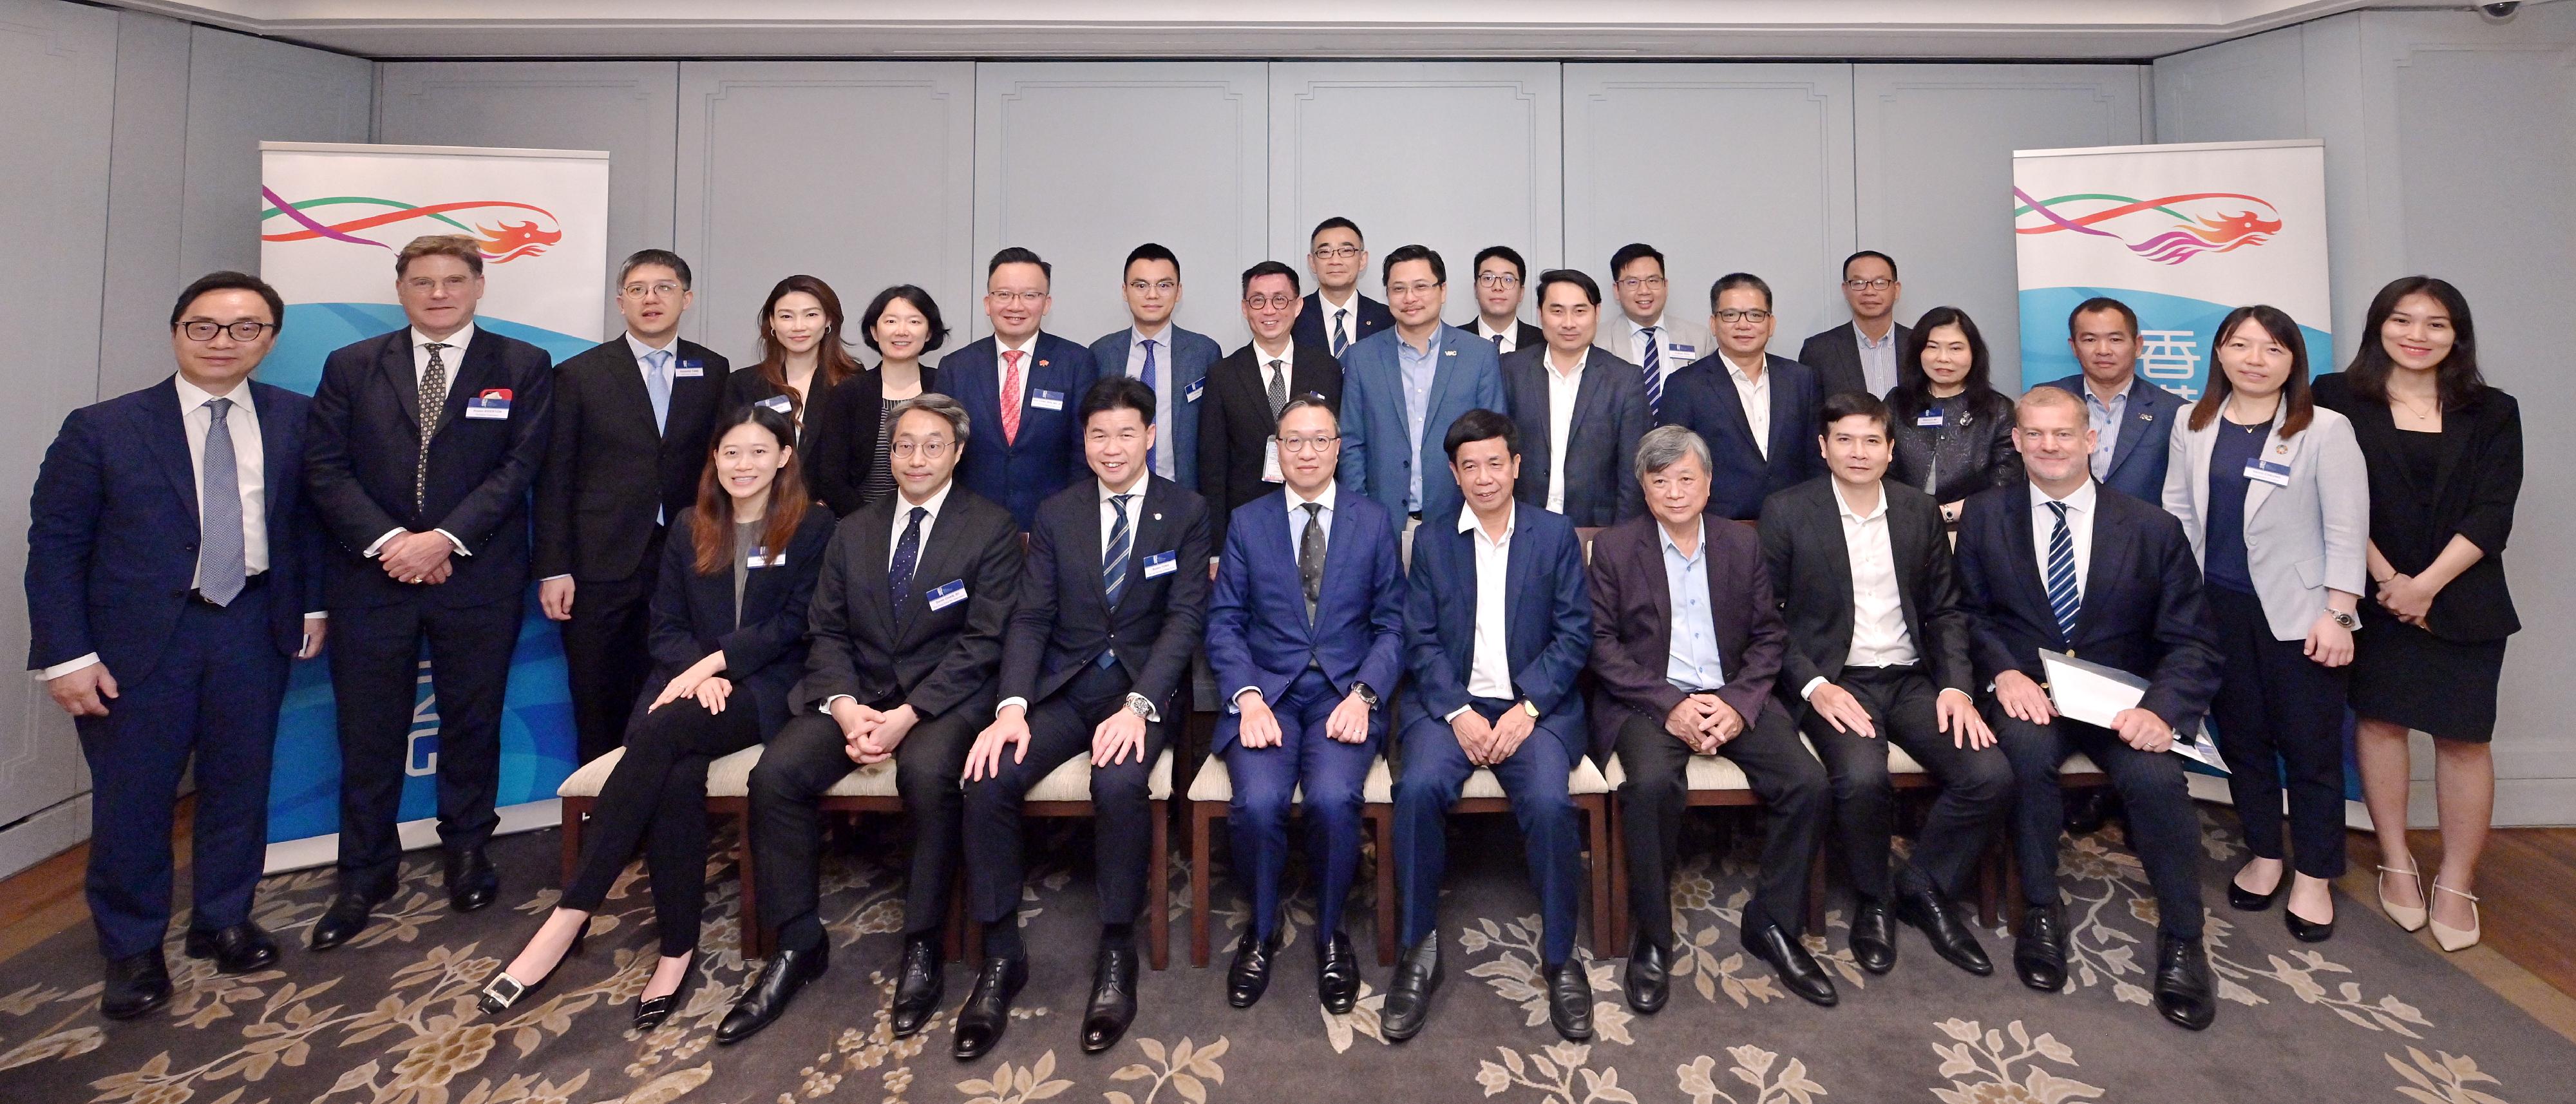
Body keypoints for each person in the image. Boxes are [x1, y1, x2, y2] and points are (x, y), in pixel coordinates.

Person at [27, 272, 325, 1019]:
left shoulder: (297, 419)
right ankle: (131, 945)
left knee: (238, 786)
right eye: (206, 326)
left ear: (270, 339)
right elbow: (56, 547)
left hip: (253, 627)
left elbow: (304, 526)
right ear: (176, 331)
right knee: (134, 799)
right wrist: (66, 656)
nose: (224, 342)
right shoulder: (101, 426)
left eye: (245, 328)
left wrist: (311, 605)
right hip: (136, 644)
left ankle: (222, 918)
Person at [480, 405, 832, 1026]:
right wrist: (695, 670)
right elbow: (664, 624)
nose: (742, 465)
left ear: (783, 458)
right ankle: (675, 948)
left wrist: (714, 668)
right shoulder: (692, 525)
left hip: (767, 687)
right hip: (688, 681)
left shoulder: (813, 528)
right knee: (673, 771)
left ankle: (570, 914)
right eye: (730, 453)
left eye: (757, 452)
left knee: (662, 731)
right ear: (714, 461)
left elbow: (796, 625)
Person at [714, 395, 1023, 1045]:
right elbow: (823, 627)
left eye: (932, 445)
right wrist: (848, 706)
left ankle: (923, 943)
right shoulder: (852, 529)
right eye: (904, 444)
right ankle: (796, 942)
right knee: (777, 775)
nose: (916, 457)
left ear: (958, 453)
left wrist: (908, 714)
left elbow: (984, 640)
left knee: (928, 772)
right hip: (853, 695)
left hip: (940, 699)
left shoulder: (991, 528)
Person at [303, 235, 553, 949]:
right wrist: (393, 545)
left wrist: (443, 539)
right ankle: (364, 868)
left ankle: (467, 847)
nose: (437, 293)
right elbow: (325, 469)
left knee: (472, 720)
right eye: (422, 281)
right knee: (367, 726)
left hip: (476, 574)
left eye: (452, 280)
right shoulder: (352, 365)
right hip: (371, 577)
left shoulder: (522, 365)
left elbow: (520, 466)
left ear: (479, 285)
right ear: (402, 289)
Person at [956, 376, 1213, 1059]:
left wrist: (1140, 704)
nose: (1112, 447)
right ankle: (1001, 954)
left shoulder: (1185, 511)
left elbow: (1185, 618)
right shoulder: (1056, 512)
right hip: (1064, 687)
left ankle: (1116, 945)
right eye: (1098, 434)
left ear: (1151, 435)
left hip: (1139, 689)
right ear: (1084, 440)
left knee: (1120, 784)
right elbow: (1032, 616)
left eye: (1126, 432)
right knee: (987, 776)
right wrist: (1010, 706)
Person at [1954, 386, 2221, 1031]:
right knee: (2021, 760)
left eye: (2064, 434)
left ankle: (2184, 939)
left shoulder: (2152, 527)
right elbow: (1968, 613)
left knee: (2157, 780)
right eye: (2035, 434)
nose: (2050, 446)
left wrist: (2161, 710)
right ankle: (2039, 912)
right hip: (2031, 694)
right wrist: (2004, 673)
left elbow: (2192, 639)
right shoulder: (1987, 517)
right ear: (2016, 441)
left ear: (2090, 439)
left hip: (2123, 699)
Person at [1757, 392, 2011, 981]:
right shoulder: (1789, 510)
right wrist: (1814, 686)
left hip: (1914, 678)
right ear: (1823, 448)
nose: (1859, 452)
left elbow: (1947, 611)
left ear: (1891, 449)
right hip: (1837, 680)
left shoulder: (1917, 510)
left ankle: (1923, 885)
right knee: (1862, 777)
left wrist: (1956, 688)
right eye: (1844, 439)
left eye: (1872, 441)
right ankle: (1875, 900)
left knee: (1990, 774)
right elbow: (1765, 617)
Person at [1588, 426, 1833, 1013]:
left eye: (1686, 478)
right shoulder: (1617, 548)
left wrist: (1738, 702)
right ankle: (1653, 935)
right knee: (1647, 787)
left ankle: (1772, 922)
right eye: (1659, 480)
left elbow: (1770, 636)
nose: (1674, 492)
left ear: (1708, 481)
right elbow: (1600, 646)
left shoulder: (1739, 544)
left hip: (1732, 693)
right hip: (1650, 699)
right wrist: (1670, 705)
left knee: (1808, 783)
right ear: (1644, 490)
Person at [2313, 276, 2521, 953]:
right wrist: (2389, 581)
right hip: (2372, 588)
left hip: (2462, 592)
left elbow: (2494, 509)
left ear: (2456, 335)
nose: (2417, 335)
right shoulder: (2336, 397)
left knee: (2464, 738)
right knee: (2379, 721)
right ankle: (2396, 858)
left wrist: (2426, 585)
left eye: (2435, 324)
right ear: (2378, 327)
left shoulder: (2492, 409)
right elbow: (2329, 495)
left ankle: (2457, 879)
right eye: (2402, 320)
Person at [1383, 410, 1596, 1043]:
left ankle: (1561, 958)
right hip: (1449, 707)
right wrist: (1456, 711)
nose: (1483, 477)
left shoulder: (1553, 534)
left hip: (1535, 708)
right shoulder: (1431, 539)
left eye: (1494, 463)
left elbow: (1574, 632)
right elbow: (1417, 638)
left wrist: (1528, 709)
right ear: (1453, 472)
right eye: (1469, 466)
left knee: (1552, 803)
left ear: (1517, 465)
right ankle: (1418, 950)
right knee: (1417, 789)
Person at [2161, 305, 2366, 943]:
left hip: (2300, 615)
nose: (2254, 358)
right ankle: (2264, 852)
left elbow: (2345, 526)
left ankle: (2314, 873)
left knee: (2308, 749)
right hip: (2216, 610)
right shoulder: (2192, 423)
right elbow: (2177, 514)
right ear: (2218, 354)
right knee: (2243, 741)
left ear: (2291, 361)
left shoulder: (2323, 429)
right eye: (2240, 344)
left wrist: (2338, 613)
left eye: (2271, 348)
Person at [1204, 396, 1405, 1015]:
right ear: (1277, 450)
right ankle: (1259, 931)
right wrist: (1247, 697)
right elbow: (1225, 622)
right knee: (1259, 803)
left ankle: (1330, 934)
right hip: (1268, 694)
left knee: (1331, 800)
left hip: (1344, 695)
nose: (1308, 453)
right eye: (1295, 442)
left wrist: (1366, 694)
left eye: (1321, 441)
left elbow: (1393, 624)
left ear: (1339, 448)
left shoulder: (1373, 521)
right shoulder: (1247, 521)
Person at [538, 249, 735, 766]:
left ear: (686, 299)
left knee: (680, 689)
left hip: (690, 557)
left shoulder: (712, 369)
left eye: (665, 288)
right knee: (599, 694)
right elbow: (555, 477)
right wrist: (554, 567)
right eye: (639, 289)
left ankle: (664, 811)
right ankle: (603, 820)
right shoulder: (578, 374)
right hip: (600, 562)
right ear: (620, 301)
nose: (652, 299)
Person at [1336, 245, 1507, 524]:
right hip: (1381, 521)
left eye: (1421, 287)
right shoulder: (1362, 357)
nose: (1410, 298)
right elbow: (1353, 443)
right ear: (1387, 294)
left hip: (1461, 518)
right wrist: (1361, 513)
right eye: (1398, 289)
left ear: (1443, 291)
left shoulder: (1478, 355)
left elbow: (1494, 443)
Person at [945, 247, 1099, 529]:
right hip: (970, 526)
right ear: (987, 302)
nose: (1016, 306)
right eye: (1003, 294)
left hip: (1053, 525)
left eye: (1030, 295)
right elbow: (945, 453)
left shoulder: (1076, 362)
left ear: (1047, 303)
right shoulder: (956, 367)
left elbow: (1084, 450)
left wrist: (1073, 519)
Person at [1653, 272, 1824, 520]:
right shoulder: (1685, 384)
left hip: (1796, 521)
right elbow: (1672, 463)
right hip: (1718, 525)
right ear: (1714, 323)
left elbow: (1818, 456)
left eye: (1755, 315)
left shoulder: (1801, 379)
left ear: (1771, 323)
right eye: (1731, 315)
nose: (1743, 325)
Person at [1200, 262, 1343, 551]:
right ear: (1245, 308)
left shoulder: (1326, 368)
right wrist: (1215, 550)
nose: (1269, 310)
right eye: (1258, 300)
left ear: (1298, 305)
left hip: (1317, 515)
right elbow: (1212, 467)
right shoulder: (1223, 375)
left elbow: (1341, 448)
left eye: (1280, 299)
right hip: (1248, 522)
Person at [1501, 269, 1649, 526]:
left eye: (1580, 311)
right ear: (1540, 314)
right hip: (1519, 523)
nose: (1568, 323)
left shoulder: (1625, 380)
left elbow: (1632, 474)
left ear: (1597, 313)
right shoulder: (1509, 370)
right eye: (1557, 311)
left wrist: (1620, 539)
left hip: (1595, 529)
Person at [1089, 243, 1220, 494]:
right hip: (1115, 491)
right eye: (1141, 285)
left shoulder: (1204, 352)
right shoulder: (1100, 353)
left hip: (1184, 494)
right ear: (1125, 291)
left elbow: (1214, 435)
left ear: (1178, 291)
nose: (1152, 295)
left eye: (1164, 285)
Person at [808, 285, 945, 517]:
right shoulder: (849, 393)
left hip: (936, 523)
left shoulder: (945, 386)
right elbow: (831, 478)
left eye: (914, 322)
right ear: (874, 331)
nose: (902, 331)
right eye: (891, 321)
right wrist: (872, 525)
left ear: (929, 332)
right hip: (860, 524)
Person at [2037, 297, 2188, 504]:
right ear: (2074, 347)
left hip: (2141, 532)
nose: (2103, 350)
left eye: (2115, 339)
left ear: (2137, 345)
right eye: (2090, 340)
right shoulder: (2046, 400)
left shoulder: (2174, 411)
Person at [1886, 306, 2021, 528]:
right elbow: (1883, 472)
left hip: (1975, 528)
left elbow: (2004, 487)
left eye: (1956, 348)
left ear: (1974, 354)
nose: (1943, 358)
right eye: (1932, 347)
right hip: (1904, 526)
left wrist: (1944, 514)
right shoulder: (1897, 402)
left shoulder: (1998, 410)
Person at [724, 274, 860, 434]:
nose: (798, 326)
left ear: (828, 320)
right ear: (773, 322)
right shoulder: (743, 383)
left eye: (811, 315)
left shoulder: (852, 379)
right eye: (786, 316)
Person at [1595, 243, 1709, 419]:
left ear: (1665, 286)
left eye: (1653, 281)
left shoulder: (1699, 338)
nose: (1644, 291)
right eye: (1632, 282)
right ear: (1617, 290)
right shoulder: (1596, 341)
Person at [1797, 251, 1910, 399]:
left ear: (1896, 290)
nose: (1870, 291)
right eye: (1859, 283)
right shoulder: (1819, 350)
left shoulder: (1920, 344)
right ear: (1845, 290)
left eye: (1880, 283)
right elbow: (1810, 415)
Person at [1291, 217, 1392, 356]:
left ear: (1362, 260)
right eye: (1325, 252)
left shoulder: (1387, 319)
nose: (1335, 261)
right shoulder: (1292, 318)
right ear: (1312, 263)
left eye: (1346, 251)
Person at [1465, 245, 1544, 354]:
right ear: (1476, 289)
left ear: (1521, 292)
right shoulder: (1452, 341)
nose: (1498, 287)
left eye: (1508, 279)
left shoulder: (1543, 343)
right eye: (1488, 278)